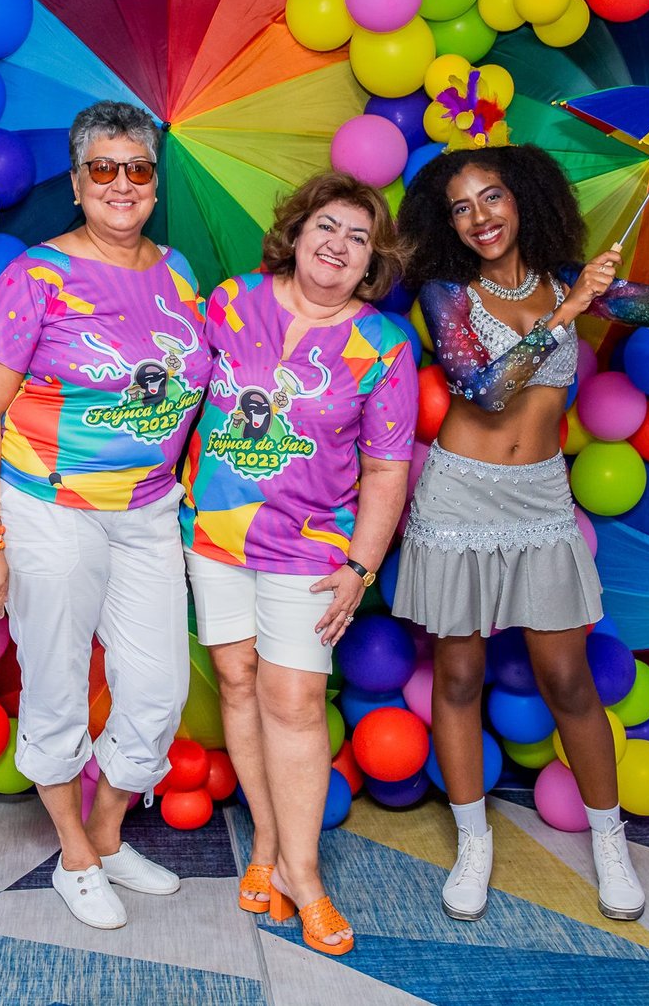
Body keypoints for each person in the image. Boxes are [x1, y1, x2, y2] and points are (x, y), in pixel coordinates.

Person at [393, 145, 649, 924]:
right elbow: (480, 388)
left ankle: (610, 842)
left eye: (492, 197)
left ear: (522, 198)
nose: (480, 218)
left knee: (567, 679)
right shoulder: (446, 291)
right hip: (458, 498)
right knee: (458, 678)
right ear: (447, 224)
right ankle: (473, 844)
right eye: (461, 208)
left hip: (539, 501)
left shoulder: (568, 278)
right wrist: (566, 316)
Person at [0, 101, 210, 931]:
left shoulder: (178, 271)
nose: (121, 184)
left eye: (138, 169)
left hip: (148, 511)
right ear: (76, 183)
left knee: (159, 693)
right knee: (58, 685)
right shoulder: (35, 275)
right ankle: (73, 854)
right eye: (103, 168)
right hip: (51, 508)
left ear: (155, 183)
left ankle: (106, 835)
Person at [183, 172, 416, 956]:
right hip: (213, 533)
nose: (339, 245)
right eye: (327, 226)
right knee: (237, 681)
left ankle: (303, 873)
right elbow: (178, 400)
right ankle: (265, 843)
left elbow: (386, 468)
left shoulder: (384, 345)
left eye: (358, 237)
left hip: (312, 548)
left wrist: (361, 566)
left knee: (294, 699)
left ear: (372, 260)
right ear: (298, 231)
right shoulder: (230, 301)